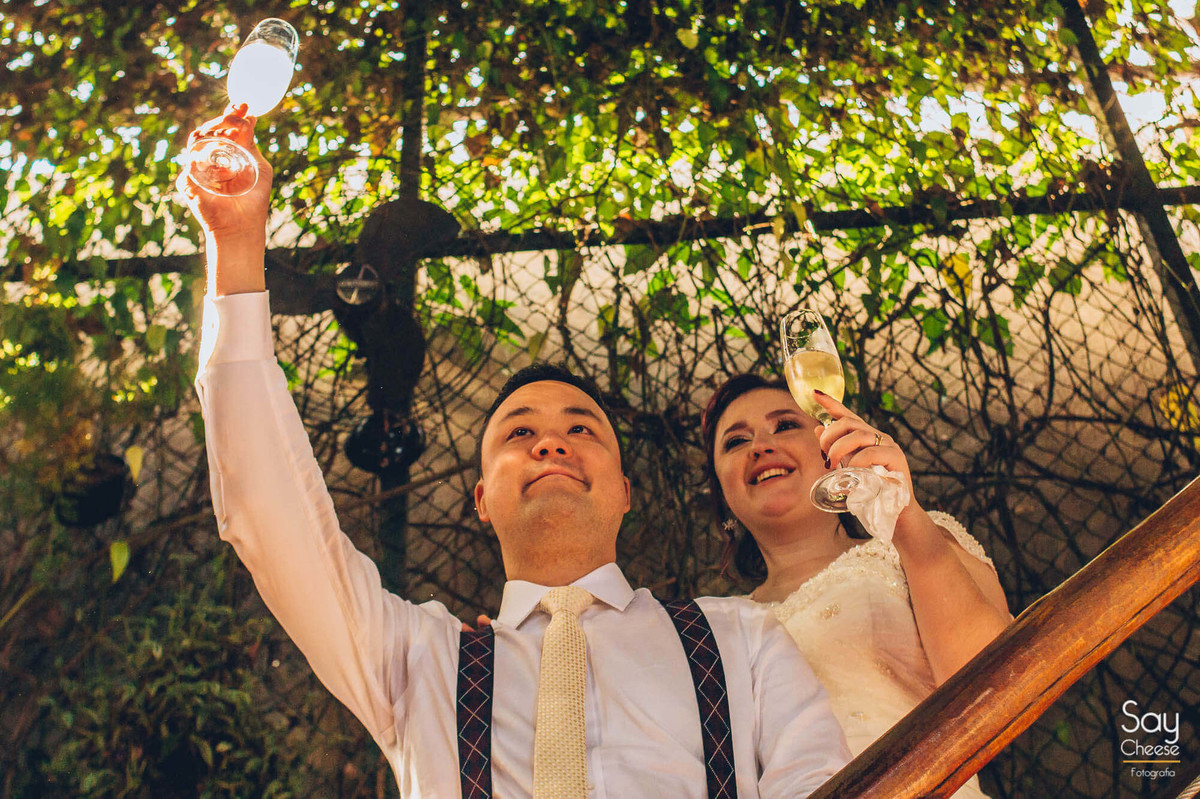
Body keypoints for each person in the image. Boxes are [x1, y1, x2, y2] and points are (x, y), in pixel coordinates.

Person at [182, 106, 849, 798]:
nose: (551, 441)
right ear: (481, 499)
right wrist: (236, 246)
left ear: (625, 491)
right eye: (519, 433)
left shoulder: (743, 640)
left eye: (582, 430)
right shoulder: (416, 661)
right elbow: (271, 515)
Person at [701, 374, 1011, 799]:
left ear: (830, 445)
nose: (760, 447)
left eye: (785, 425)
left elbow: (996, 685)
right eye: (736, 441)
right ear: (721, 489)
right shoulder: (714, 632)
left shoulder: (916, 539)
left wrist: (904, 519)